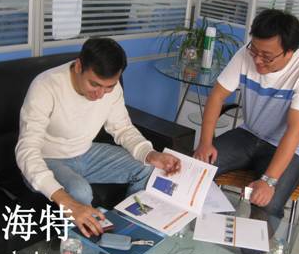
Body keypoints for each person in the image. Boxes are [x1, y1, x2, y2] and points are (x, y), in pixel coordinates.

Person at [16, 38, 181, 237]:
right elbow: (27, 150)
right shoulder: (46, 86)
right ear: (79, 66)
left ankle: (130, 228)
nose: (101, 94)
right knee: (80, 191)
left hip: (86, 152)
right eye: (94, 84)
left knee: (148, 167)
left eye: (109, 86)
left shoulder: (112, 89)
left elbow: (122, 128)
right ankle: (79, 250)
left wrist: (151, 154)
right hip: (47, 158)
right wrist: (68, 203)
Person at [194, 9, 299, 219]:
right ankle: (200, 230)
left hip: (289, 147)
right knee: (195, 170)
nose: (258, 60)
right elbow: (217, 96)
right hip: (249, 134)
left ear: (290, 52)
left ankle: (255, 242)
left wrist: (268, 181)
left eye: (267, 56)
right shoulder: (246, 54)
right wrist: (205, 142)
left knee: (267, 204)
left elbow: (295, 130)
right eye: (255, 51)